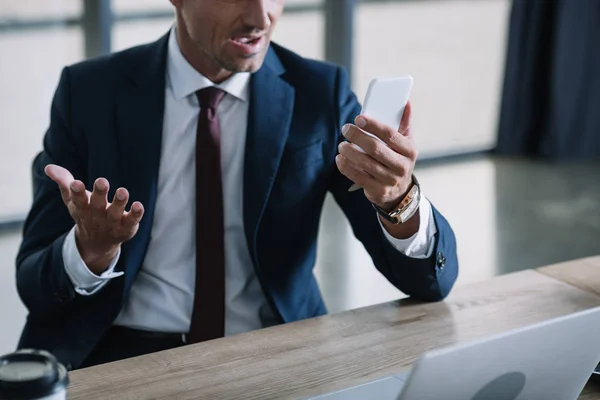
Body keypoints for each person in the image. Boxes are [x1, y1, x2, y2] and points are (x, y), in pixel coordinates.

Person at [15, 0, 458, 370]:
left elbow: (429, 284)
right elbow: (34, 284)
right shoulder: (89, 91)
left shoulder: (319, 93)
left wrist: (398, 199)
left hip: (272, 352)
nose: (260, 16)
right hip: (123, 354)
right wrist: (90, 251)